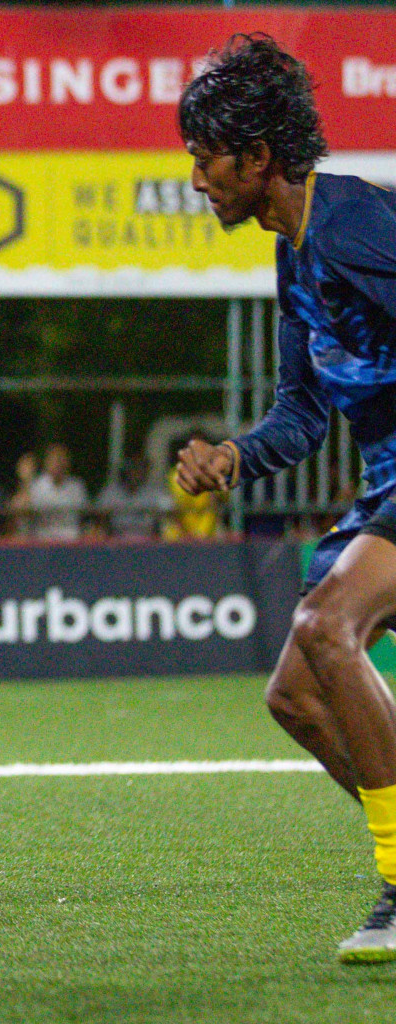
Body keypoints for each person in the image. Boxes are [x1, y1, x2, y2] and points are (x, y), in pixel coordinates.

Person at [175, 34, 396, 962]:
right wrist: (235, 455)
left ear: (258, 158)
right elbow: (302, 411)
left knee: (322, 624)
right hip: (384, 486)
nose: (195, 178)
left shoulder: (353, 226)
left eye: (205, 158)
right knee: (297, 699)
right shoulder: (294, 253)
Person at [26, 443, 89, 541]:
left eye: (61, 460)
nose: (58, 464)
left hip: (72, 539)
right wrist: (26, 481)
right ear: (46, 462)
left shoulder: (77, 486)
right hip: (43, 539)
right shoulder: (36, 485)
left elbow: (85, 516)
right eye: (54, 460)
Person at [98, 455, 169, 539]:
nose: (135, 474)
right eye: (132, 470)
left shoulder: (154, 491)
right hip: (116, 540)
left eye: (139, 470)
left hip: (148, 540)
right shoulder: (111, 491)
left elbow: (169, 511)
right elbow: (98, 514)